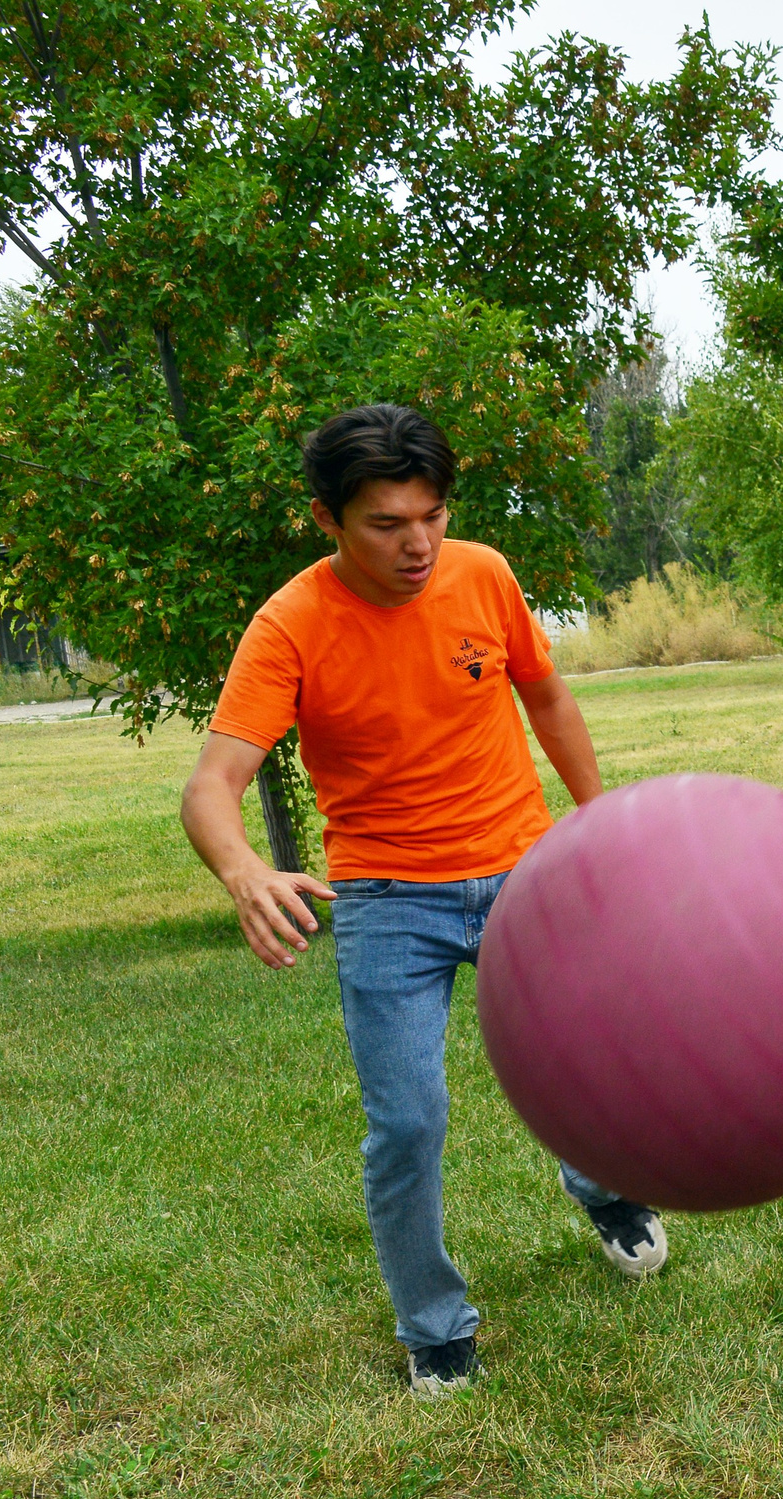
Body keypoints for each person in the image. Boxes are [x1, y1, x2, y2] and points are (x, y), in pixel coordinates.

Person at [179, 403, 666, 1399]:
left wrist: (597, 820)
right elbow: (211, 785)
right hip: (388, 899)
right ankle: (434, 1327)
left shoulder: (482, 573)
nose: (417, 544)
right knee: (407, 1121)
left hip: (524, 874)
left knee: (583, 1062)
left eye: (432, 516)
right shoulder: (291, 625)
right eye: (386, 524)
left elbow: (547, 696)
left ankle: (601, 1182)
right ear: (328, 521)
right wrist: (244, 871)